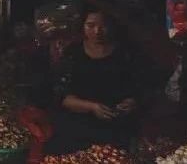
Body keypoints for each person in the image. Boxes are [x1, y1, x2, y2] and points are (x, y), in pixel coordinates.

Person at [45, 11, 150, 155]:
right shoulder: (73, 53)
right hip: (77, 125)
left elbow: (141, 89)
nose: (97, 31)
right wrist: (92, 107)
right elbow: (62, 97)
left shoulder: (127, 53)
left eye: (103, 26)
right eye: (90, 25)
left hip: (115, 125)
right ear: (82, 26)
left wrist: (131, 102)